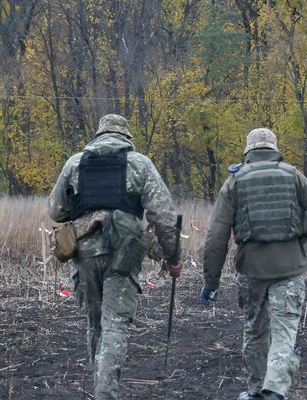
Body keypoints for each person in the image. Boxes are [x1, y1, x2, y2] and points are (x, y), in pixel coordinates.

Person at [48, 114, 183, 400]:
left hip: (84, 253)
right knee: (114, 325)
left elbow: (56, 211)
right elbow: (164, 216)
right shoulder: (140, 164)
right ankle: (105, 394)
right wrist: (172, 257)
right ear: (126, 136)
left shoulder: (75, 163)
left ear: (98, 134)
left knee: (95, 324)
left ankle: (100, 390)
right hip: (124, 253)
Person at [199, 128, 307, 400]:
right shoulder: (295, 176)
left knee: (255, 331)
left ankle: (255, 392)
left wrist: (211, 283)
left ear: (248, 151)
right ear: (275, 149)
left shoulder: (234, 182)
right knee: (285, 333)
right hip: (291, 269)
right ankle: (276, 390)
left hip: (252, 271)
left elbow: (216, 237)